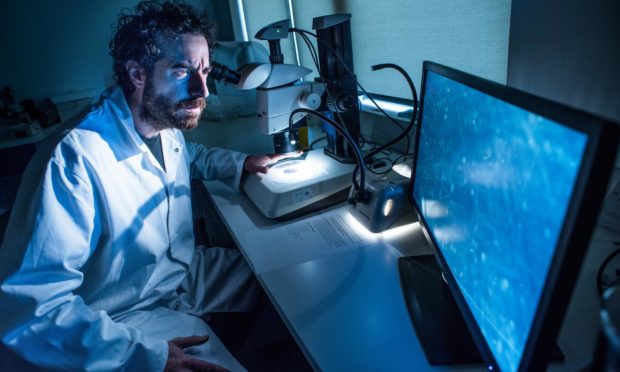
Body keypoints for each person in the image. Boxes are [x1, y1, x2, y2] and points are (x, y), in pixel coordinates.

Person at [0, 1, 293, 370]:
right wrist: (143, 357)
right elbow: (32, 307)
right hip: (118, 312)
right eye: (182, 70)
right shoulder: (71, 158)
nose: (202, 88)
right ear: (137, 73)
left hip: (181, 274)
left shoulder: (163, 121)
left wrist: (242, 164)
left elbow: (191, 156)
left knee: (284, 278)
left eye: (204, 71)